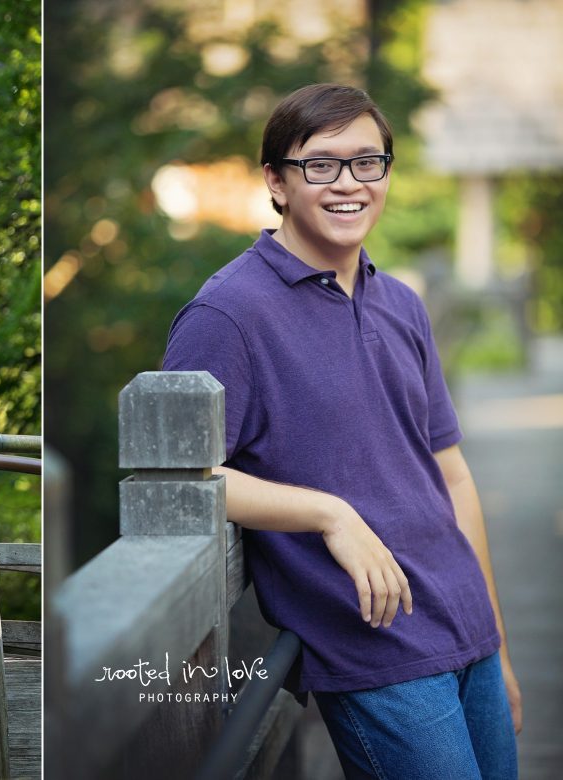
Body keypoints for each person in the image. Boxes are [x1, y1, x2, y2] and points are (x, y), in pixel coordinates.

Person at [163, 84, 520, 778]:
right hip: (373, 648)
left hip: (468, 627)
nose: (349, 184)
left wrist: (499, 642)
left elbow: (451, 473)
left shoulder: (401, 303)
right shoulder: (227, 315)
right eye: (321, 165)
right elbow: (179, 474)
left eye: (368, 162)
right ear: (276, 181)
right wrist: (328, 514)